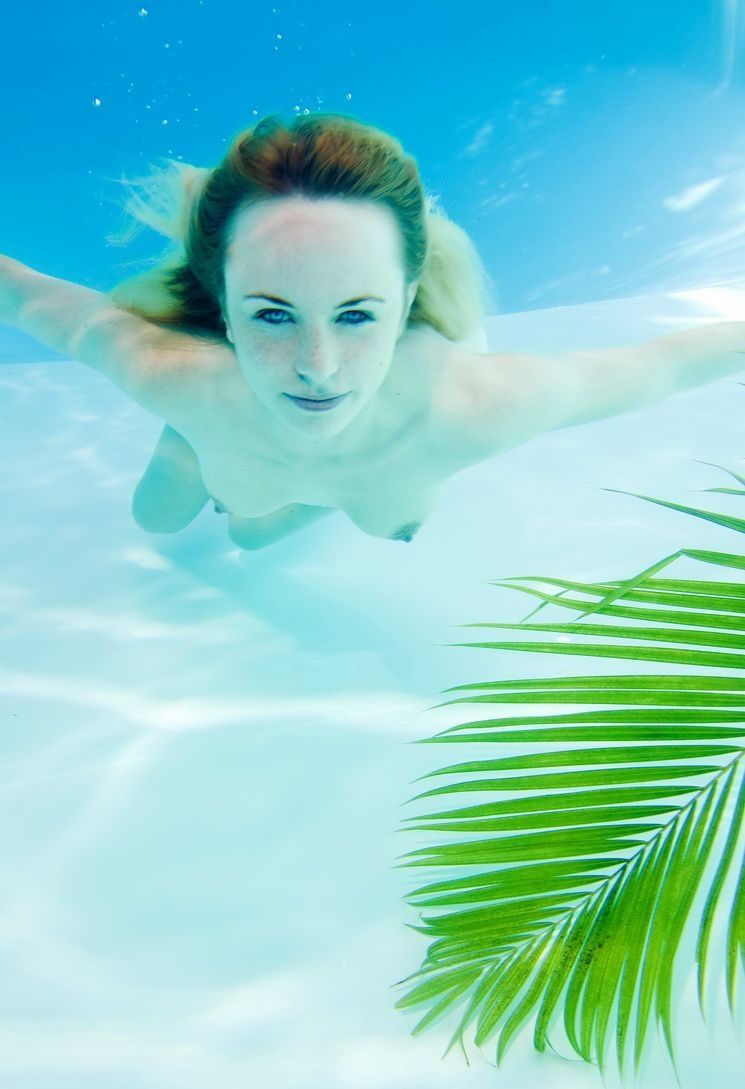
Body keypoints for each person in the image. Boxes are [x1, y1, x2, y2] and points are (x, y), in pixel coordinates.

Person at [2, 112, 744, 549]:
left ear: (407, 295)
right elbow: (34, 298)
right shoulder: (170, 373)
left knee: (253, 534)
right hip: (215, 431)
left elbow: (663, 363)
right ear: (221, 306)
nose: (318, 367)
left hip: (300, 471)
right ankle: (194, 451)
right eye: (271, 314)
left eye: (356, 313)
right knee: (156, 520)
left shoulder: (477, 403)